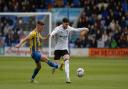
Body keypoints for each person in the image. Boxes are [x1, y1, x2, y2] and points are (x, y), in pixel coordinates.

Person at [50, 18, 89, 83]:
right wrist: (51, 35)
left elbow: (76, 30)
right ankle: (58, 66)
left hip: (65, 49)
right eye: (66, 24)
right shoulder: (58, 28)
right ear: (63, 23)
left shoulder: (68, 28)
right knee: (55, 66)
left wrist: (84, 28)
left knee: (67, 61)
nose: (67, 25)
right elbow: (54, 32)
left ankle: (68, 78)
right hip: (57, 49)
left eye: (68, 24)